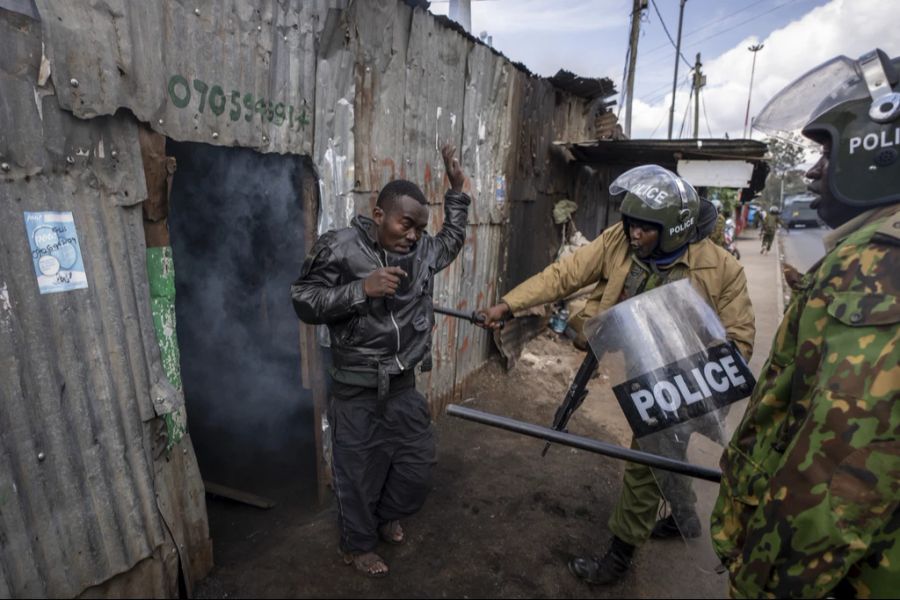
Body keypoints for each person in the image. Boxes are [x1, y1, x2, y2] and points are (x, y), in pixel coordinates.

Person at [478, 165, 755, 585]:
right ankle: (687, 519)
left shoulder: (721, 270)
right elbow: (565, 274)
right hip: (635, 367)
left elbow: (741, 342)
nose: (633, 235)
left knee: (645, 465)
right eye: (629, 225)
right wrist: (510, 304)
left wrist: (691, 374)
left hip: (684, 381)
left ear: (674, 230)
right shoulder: (619, 239)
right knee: (667, 455)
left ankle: (618, 556)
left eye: (645, 229)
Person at [711, 48, 900, 598]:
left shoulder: (879, 265)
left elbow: (839, 479)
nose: (816, 170)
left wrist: (761, 586)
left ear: (880, 147)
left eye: (829, 151)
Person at [291, 143, 469, 577]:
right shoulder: (340, 247)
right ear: (379, 215)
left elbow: (452, 240)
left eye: (418, 228)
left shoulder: (423, 251)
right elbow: (303, 299)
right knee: (355, 476)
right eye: (405, 223)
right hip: (354, 390)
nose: (412, 235)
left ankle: (386, 515)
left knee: (417, 465)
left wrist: (458, 193)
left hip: (403, 387)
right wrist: (360, 289)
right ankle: (357, 544)